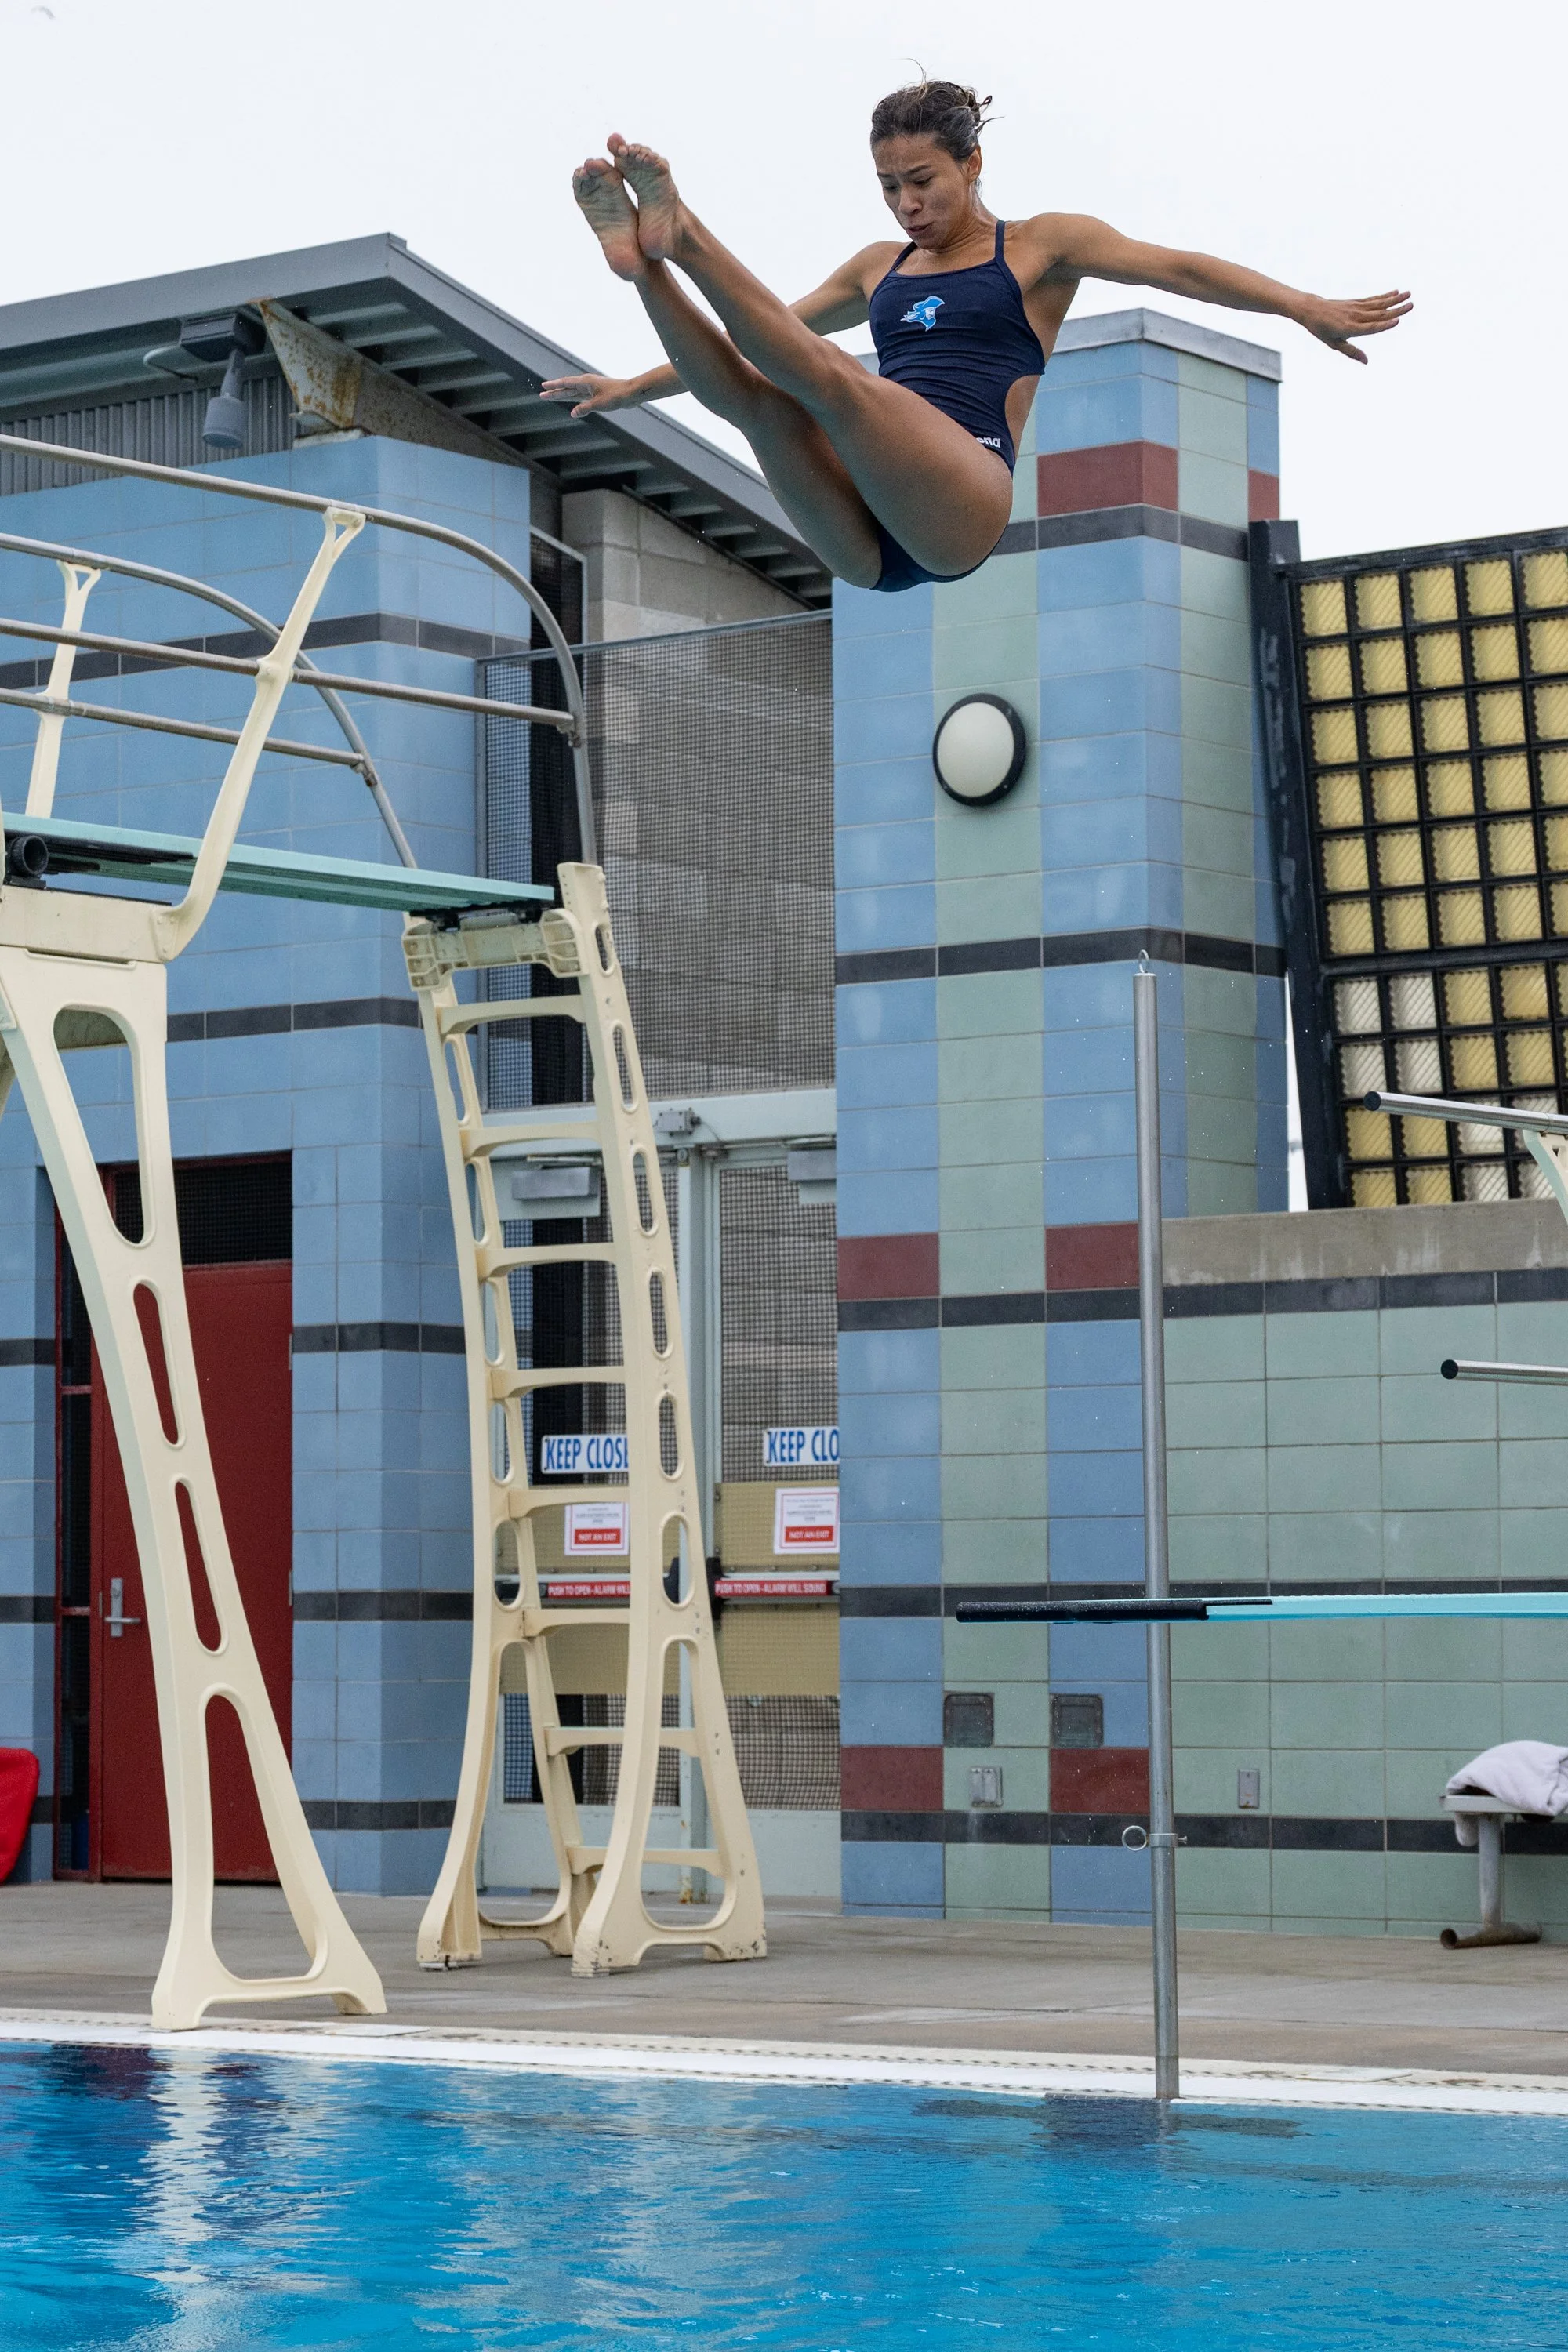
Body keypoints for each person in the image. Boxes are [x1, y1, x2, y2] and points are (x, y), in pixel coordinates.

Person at [543, 82, 1410, 594]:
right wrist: (632, 386)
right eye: (887, 187)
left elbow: (1176, 268)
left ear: (971, 165)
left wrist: (1302, 304)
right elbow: (762, 338)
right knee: (761, 405)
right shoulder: (876, 268)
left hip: (963, 502)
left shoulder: (1041, 247)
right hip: (868, 545)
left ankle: (683, 234)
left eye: (920, 181)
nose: (905, 204)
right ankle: (643, 265)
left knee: (837, 384)